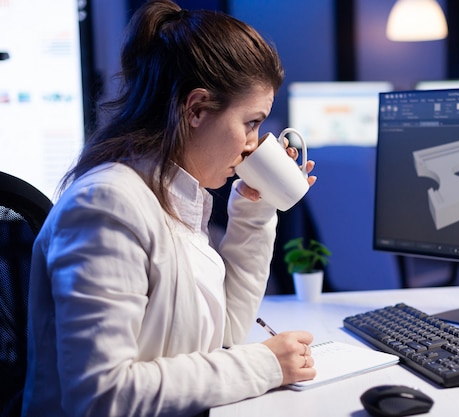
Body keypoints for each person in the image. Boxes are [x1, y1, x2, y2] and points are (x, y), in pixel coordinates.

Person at [21, 1, 317, 416]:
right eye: (251, 123)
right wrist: (266, 364)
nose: (254, 143)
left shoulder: (177, 198)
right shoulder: (107, 206)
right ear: (195, 109)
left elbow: (226, 331)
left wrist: (256, 210)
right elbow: (100, 396)